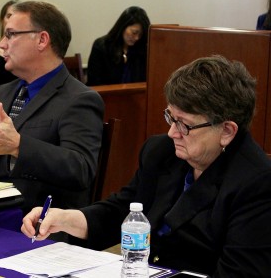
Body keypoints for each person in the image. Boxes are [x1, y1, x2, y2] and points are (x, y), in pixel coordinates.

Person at [22, 55, 271, 277]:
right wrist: (64, 218)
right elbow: (124, 210)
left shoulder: (257, 182)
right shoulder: (161, 152)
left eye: (184, 124)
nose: (172, 132)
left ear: (227, 131)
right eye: (170, 117)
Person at [0, 1, 104, 214]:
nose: (2, 44)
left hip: (36, 222)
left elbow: (80, 169)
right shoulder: (1, 93)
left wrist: (19, 146)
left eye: (10, 34)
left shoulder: (80, 99)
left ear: (42, 40)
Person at [86, 6, 150, 86]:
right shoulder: (101, 47)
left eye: (140, 35)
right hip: (105, 96)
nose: (137, 38)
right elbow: (94, 83)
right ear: (123, 26)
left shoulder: (142, 50)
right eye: (134, 32)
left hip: (135, 97)